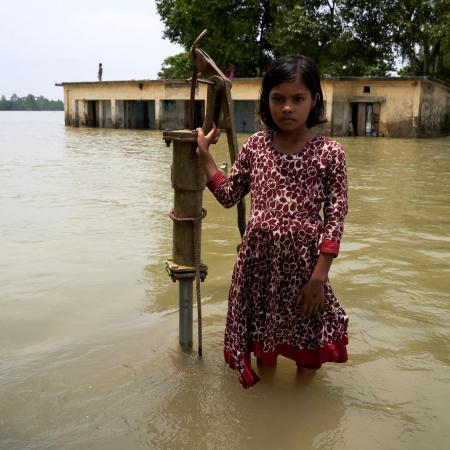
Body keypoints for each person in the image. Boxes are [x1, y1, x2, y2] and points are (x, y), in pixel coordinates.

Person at [197, 55, 349, 388]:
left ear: (314, 101)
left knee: (307, 340)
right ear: (267, 101)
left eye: (298, 99)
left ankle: (298, 411)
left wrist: (319, 277)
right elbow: (229, 195)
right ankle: (265, 411)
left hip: (305, 269)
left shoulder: (330, 152)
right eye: (278, 98)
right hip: (258, 266)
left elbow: (336, 217)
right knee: (263, 343)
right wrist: (205, 156)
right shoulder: (256, 146)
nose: (287, 108)